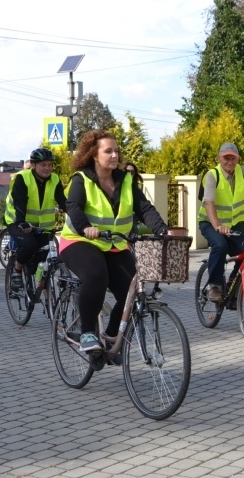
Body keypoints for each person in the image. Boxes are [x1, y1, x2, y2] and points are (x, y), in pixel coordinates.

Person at [59, 130, 168, 353]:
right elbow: (73, 207)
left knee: (132, 291)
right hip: (79, 241)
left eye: (116, 151)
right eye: (108, 151)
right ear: (94, 154)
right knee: (96, 274)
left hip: (114, 244)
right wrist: (85, 227)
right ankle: (87, 333)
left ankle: (111, 337)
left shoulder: (125, 180)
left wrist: (162, 230)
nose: (114, 155)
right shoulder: (82, 179)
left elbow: (144, 208)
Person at [198, 142, 244, 302]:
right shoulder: (212, 175)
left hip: (234, 224)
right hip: (210, 222)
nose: (229, 161)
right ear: (219, 158)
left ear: (238, 159)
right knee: (220, 246)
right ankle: (214, 286)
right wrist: (218, 226)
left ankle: (232, 287)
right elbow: (208, 202)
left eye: (233, 158)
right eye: (226, 158)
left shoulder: (242, 171)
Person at [3, 148, 67, 290]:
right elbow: (20, 202)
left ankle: (43, 294)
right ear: (33, 165)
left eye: (50, 165)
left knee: (42, 261)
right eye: (43, 165)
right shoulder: (22, 178)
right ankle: (17, 270)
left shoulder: (55, 179)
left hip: (43, 226)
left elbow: (63, 201)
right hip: (18, 221)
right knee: (30, 246)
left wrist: (77, 218)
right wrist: (21, 222)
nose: (47, 168)